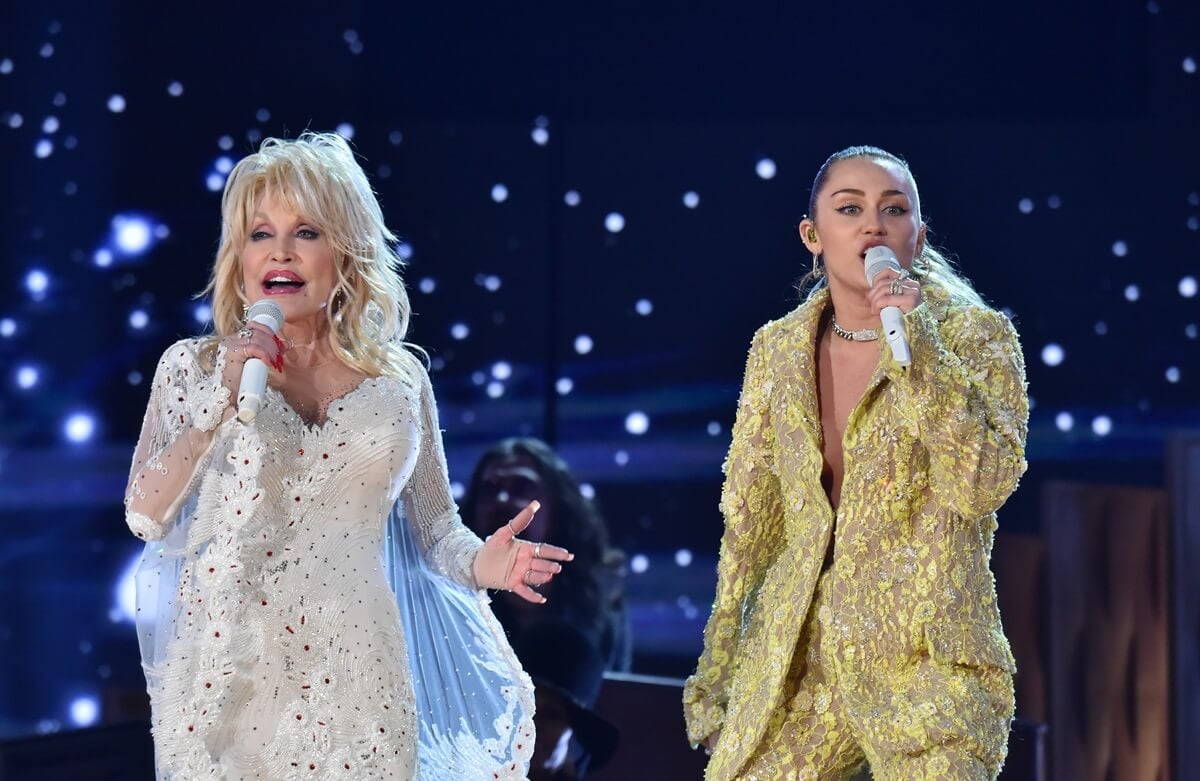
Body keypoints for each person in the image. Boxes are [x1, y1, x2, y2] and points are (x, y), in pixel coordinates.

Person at [123, 132, 571, 780]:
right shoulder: (194, 368)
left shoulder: (399, 379)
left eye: (305, 231)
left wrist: (482, 563)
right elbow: (144, 511)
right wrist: (219, 399)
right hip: (232, 672)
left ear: (344, 247)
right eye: (259, 234)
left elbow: (436, 527)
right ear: (239, 256)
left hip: (358, 664)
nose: (279, 250)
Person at [683, 146, 1028, 780]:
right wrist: (720, 670)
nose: (873, 224)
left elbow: (982, 483)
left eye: (892, 210)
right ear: (813, 236)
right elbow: (751, 521)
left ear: (916, 239)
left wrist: (916, 346)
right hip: (802, 668)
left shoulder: (977, 339)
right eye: (850, 209)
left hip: (928, 666)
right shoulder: (777, 350)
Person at [463, 438, 631, 673]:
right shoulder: (455, 594)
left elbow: (614, 693)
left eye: (521, 488)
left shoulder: (600, 599)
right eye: (490, 489)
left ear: (558, 504)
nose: (502, 500)